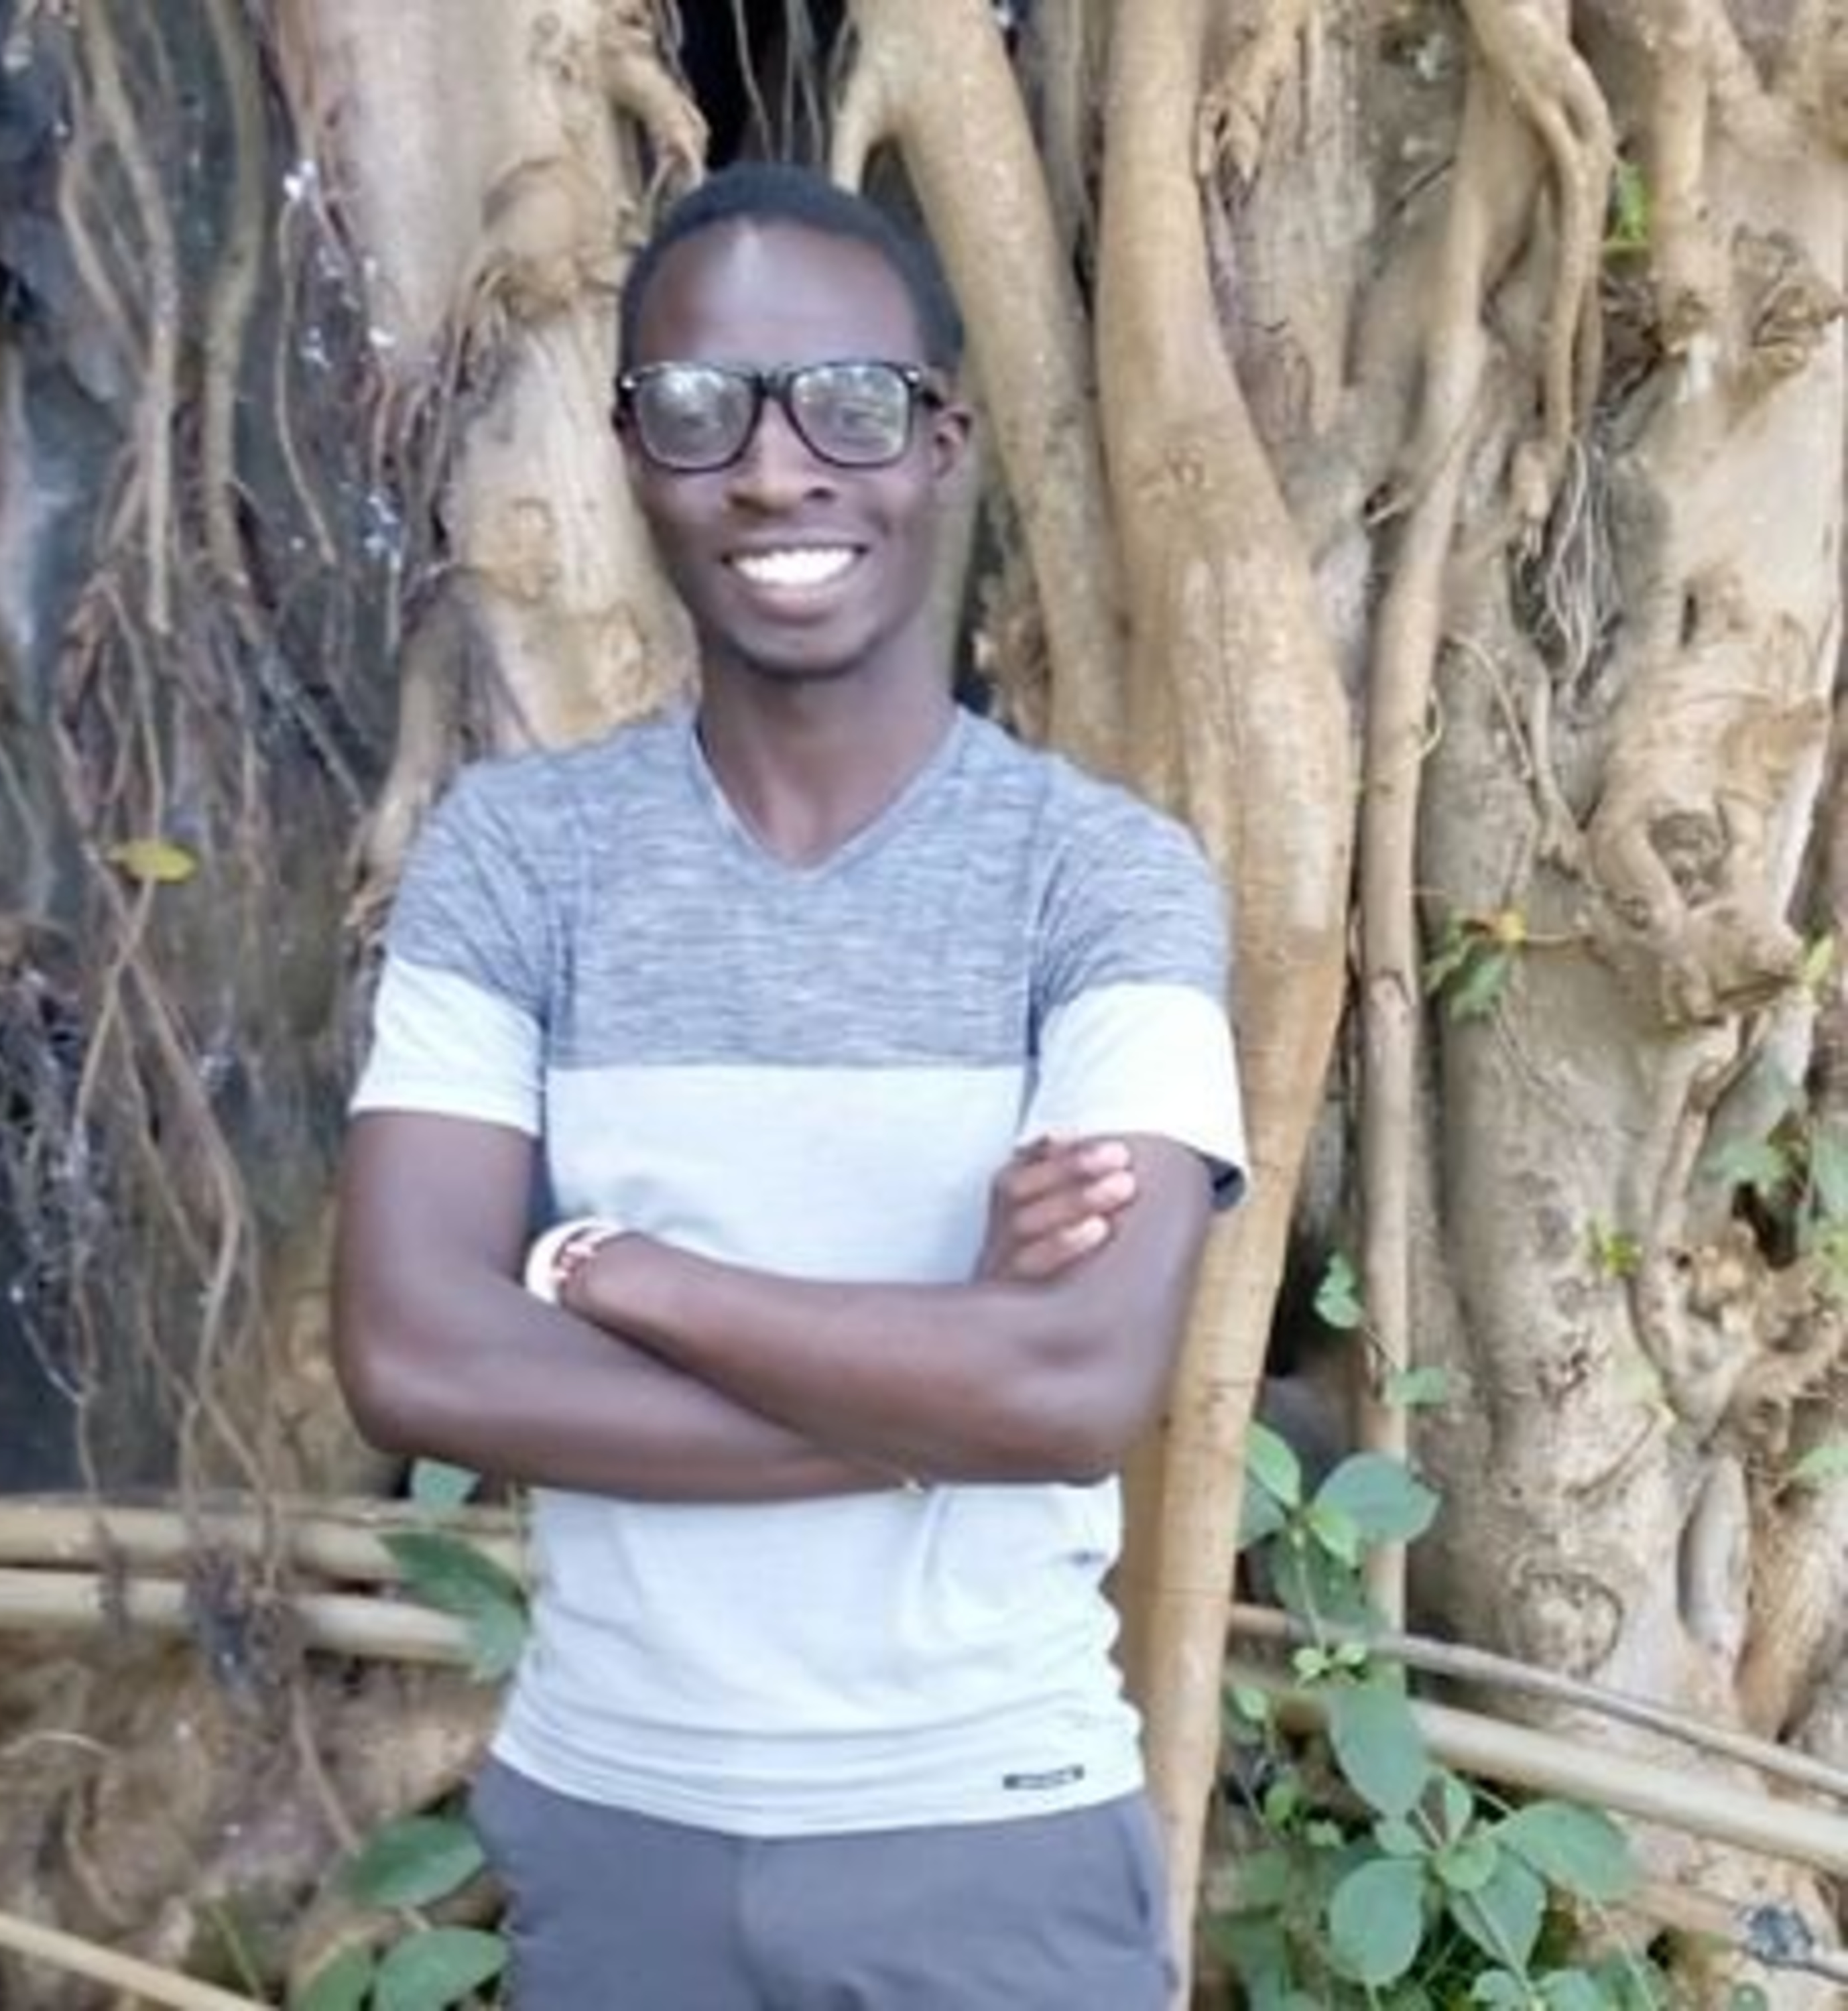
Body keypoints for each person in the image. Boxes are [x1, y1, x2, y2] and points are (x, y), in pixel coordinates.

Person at [333, 160, 1247, 2011]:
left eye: (847, 404)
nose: (773, 469)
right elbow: (415, 1354)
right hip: (613, 1832)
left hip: (986, 1839)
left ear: (941, 443)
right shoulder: (517, 860)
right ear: (632, 455)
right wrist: (950, 1373)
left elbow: (1078, 1386)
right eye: (698, 410)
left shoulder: (1102, 880)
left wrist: (615, 1274)